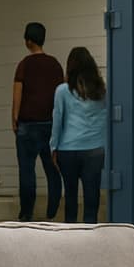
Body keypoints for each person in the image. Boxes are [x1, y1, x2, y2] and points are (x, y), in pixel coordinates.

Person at [11, 22, 64, 222]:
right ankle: (52, 211)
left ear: (28, 40)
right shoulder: (55, 64)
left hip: (28, 124)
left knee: (27, 170)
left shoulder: (24, 64)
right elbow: (61, 94)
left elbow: (18, 93)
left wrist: (14, 117)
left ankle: (26, 213)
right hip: (50, 124)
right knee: (52, 169)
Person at [50, 47, 108, 225]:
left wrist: (53, 147)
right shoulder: (101, 91)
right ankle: (91, 233)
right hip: (95, 150)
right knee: (92, 197)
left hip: (68, 149)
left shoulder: (62, 91)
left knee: (70, 197)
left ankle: (71, 234)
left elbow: (57, 120)